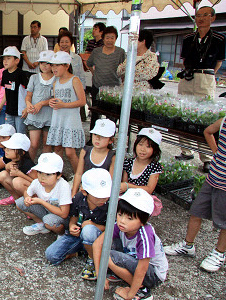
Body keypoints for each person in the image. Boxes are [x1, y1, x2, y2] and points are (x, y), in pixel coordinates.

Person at [163, 115, 226, 273]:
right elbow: (208, 131)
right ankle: (187, 245)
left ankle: (219, 253)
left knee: (224, 222)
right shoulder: (225, 120)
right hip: (213, 178)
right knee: (196, 211)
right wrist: (217, 153)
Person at [175, 4, 225, 172]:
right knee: (184, 113)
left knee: (204, 116)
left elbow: (218, 62)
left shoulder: (219, 38)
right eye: (198, 15)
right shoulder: (189, 37)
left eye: (205, 15)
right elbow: (183, 59)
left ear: (212, 18)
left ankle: (206, 157)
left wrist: (206, 74)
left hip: (206, 76)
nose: (201, 18)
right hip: (188, 75)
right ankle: (186, 151)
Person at [93, 189, 168, 300]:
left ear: (143, 221)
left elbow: (142, 269)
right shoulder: (119, 226)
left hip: (153, 274)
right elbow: (97, 244)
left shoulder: (145, 235)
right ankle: (120, 274)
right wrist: (100, 275)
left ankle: (142, 290)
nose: (122, 221)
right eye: (120, 214)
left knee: (107, 256)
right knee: (106, 246)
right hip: (135, 261)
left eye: (130, 218)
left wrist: (129, 295)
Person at [46, 168, 111, 280]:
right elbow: (74, 215)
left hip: (99, 240)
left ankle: (92, 260)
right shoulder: (79, 198)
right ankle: (82, 252)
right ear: (85, 192)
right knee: (51, 255)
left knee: (89, 231)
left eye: (105, 195)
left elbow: (114, 228)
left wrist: (94, 226)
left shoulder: (112, 203)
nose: (103, 199)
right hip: (78, 236)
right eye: (98, 195)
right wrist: (72, 225)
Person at [46, 51, 86, 173]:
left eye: (57, 65)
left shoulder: (74, 80)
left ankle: (79, 177)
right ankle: (58, 176)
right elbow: (55, 99)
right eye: (52, 65)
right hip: (58, 120)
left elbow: (82, 101)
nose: (54, 68)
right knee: (57, 149)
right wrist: (51, 102)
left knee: (70, 152)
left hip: (70, 121)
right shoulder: (55, 82)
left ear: (67, 66)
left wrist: (63, 105)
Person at [16, 152, 72, 236]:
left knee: (49, 219)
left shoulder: (63, 186)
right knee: (20, 202)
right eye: (39, 172)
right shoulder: (37, 182)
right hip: (46, 211)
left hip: (61, 217)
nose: (42, 177)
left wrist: (41, 202)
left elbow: (64, 214)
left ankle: (63, 234)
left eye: (48, 174)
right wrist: (27, 198)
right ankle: (42, 224)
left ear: (58, 175)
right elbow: (27, 193)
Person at [86, 26, 126, 136]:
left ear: (116, 38)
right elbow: (89, 64)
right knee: (95, 113)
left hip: (114, 89)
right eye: (107, 38)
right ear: (103, 38)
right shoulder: (96, 51)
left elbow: (124, 67)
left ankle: (110, 138)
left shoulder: (120, 52)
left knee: (112, 115)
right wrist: (94, 73)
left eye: (112, 38)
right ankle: (93, 137)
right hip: (97, 86)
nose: (109, 40)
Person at [71, 118, 116, 196]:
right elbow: (78, 174)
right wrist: (73, 194)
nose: (97, 138)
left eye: (102, 136)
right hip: (85, 189)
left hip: (102, 192)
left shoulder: (112, 156)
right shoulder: (85, 151)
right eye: (95, 134)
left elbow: (110, 180)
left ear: (111, 140)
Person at [24, 50, 55, 160]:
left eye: (48, 63)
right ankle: (29, 167)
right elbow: (28, 95)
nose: (45, 66)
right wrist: (28, 104)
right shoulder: (34, 78)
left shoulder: (57, 79)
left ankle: (45, 166)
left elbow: (56, 99)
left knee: (47, 144)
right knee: (33, 144)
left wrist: (42, 103)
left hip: (50, 115)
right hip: (34, 114)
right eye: (42, 63)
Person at [0, 46, 30, 134]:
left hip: (20, 111)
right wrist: (0, 106)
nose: (5, 61)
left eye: (8, 58)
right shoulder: (4, 73)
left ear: (17, 60)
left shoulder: (21, 74)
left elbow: (29, 91)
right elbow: (6, 92)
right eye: (4, 59)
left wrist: (27, 108)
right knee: (9, 133)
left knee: (20, 133)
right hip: (9, 110)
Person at [120, 128, 162, 195]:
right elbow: (124, 184)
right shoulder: (128, 163)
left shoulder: (154, 167)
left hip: (144, 199)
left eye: (148, 146)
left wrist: (128, 186)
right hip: (127, 196)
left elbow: (149, 190)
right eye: (140, 144)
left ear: (155, 150)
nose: (142, 149)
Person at [0, 133, 36, 205]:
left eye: (10, 149)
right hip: (23, 185)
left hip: (35, 190)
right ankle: (17, 199)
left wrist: (20, 174)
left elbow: (37, 183)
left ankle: (32, 204)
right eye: (6, 148)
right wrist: (8, 166)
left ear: (21, 152)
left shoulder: (27, 164)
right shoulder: (10, 158)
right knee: (2, 175)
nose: (6, 150)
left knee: (17, 181)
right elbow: (7, 169)